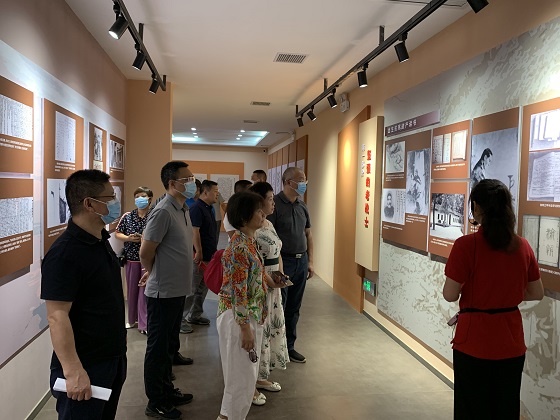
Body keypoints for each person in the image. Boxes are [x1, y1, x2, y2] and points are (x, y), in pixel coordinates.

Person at [443, 179, 544, 420]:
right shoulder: (522, 246)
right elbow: (537, 292)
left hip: (473, 341)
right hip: (511, 340)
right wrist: (507, 294)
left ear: (477, 207)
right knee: (505, 408)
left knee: (471, 410)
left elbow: (449, 294)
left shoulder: (466, 245)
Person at [41, 169, 127, 419]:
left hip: (111, 358)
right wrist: (73, 370)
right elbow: (57, 316)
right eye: (110, 197)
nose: (116, 202)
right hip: (86, 365)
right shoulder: (64, 253)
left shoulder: (99, 239)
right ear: (89, 204)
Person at [216, 191, 284, 420]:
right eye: (258, 210)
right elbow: (238, 293)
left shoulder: (248, 241)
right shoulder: (239, 248)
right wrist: (245, 328)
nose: (263, 213)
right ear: (245, 217)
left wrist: (271, 281)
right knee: (241, 379)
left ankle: (227, 416)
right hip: (238, 318)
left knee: (242, 376)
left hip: (249, 315)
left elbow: (255, 275)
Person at [140, 161, 197, 419]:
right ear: (172, 183)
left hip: (177, 290)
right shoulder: (163, 211)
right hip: (163, 292)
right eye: (187, 179)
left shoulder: (182, 208)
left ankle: (167, 390)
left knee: (168, 348)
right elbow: (146, 251)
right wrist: (153, 272)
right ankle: (156, 401)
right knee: (158, 349)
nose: (192, 182)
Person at [268, 167, 314, 364]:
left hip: (301, 261)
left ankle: (289, 347)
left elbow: (308, 234)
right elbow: (270, 237)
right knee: (280, 305)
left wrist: (310, 261)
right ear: (288, 182)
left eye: (304, 179)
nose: (304, 183)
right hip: (283, 262)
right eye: (300, 180)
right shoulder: (275, 205)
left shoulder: (302, 206)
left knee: (294, 307)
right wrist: (277, 268)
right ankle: (275, 348)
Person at [249, 182, 289, 400]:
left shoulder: (269, 224)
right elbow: (255, 263)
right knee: (258, 332)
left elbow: (278, 252)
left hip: (274, 285)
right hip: (260, 286)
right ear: (259, 201)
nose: (274, 203)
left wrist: (280, 275)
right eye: (270, 199)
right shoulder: (250, 229)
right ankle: (251, 382)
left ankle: (261, 376)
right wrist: (270, 281)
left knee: (270, 330)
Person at [181, 180, 219, 333]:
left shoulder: (208, 208)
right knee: (192, 289)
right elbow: (194, 231)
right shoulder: (197, 208)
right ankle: (180, 319)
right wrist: (198, 251)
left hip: (209, 256)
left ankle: (195, 315)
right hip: (199, 257)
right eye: (215, 191)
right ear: (205, 192)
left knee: (202, 288)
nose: (217, 194)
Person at [116, 186, 153, 335]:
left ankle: (144, 324)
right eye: (137, 196)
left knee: (144, 292)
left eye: (143, 196)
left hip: (148, 259)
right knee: (132, 291)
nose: (139, 199)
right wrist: (129, 238)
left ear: (150, 199)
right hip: (131, 259)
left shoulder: (154, 215)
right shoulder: (128, 216)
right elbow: (118, 233)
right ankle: (132, 320)